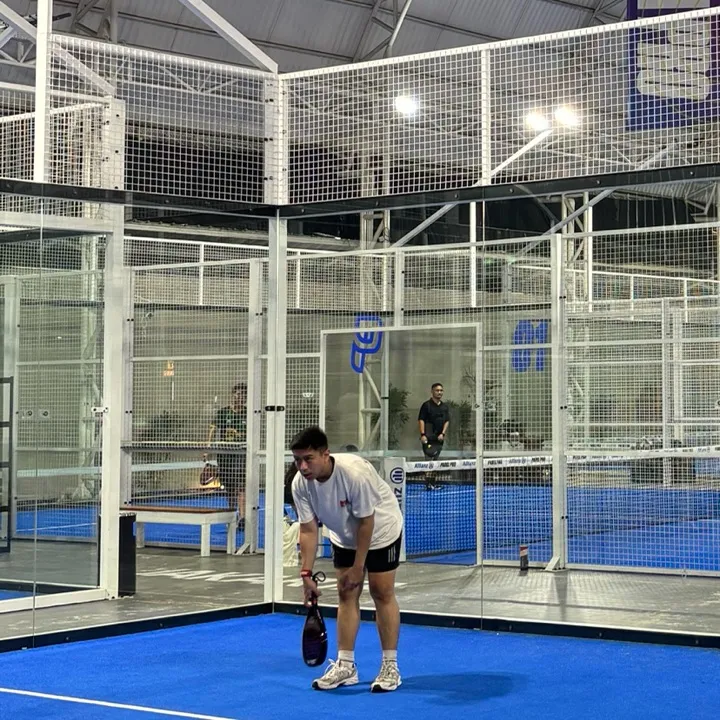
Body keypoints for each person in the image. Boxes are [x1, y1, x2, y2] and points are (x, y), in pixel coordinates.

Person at [290, 426, 403, 693]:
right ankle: (346, 666)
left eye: (308, 459)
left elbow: (366, 522)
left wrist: (358, 567)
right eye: (297, 460)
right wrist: (306, 574)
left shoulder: (354, 474)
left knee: (381, 592)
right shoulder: (300, 484)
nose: (303, 466)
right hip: (343, 535)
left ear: (325, 454)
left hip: (381, 530)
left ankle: (390, 666)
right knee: (346, 593)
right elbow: (308, 529)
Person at [205, 382, 247, 529]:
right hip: (225, 455)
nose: (239, 397)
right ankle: (232, 515)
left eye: (242, 395)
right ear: (233, 395)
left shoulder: (248, 414)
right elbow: (212, 430)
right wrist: (207, 448)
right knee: (229, 487)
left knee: (241, 486)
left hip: (241, 454)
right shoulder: (223, 413)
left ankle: (242, 517)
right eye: (237, 394)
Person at [418, 382, 450, 490]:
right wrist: (423, 434)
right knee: (428, 461)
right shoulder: (426, 405)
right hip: (428, 438)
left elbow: (447, 421)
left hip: (439, 439)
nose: (439, 392)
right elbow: (421, 420)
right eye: (437, 390)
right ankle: (428, 484)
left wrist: (443, 433)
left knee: (435, 462)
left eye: (441, 390)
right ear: (432, 392)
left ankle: (433, 483)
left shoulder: (444, 407)